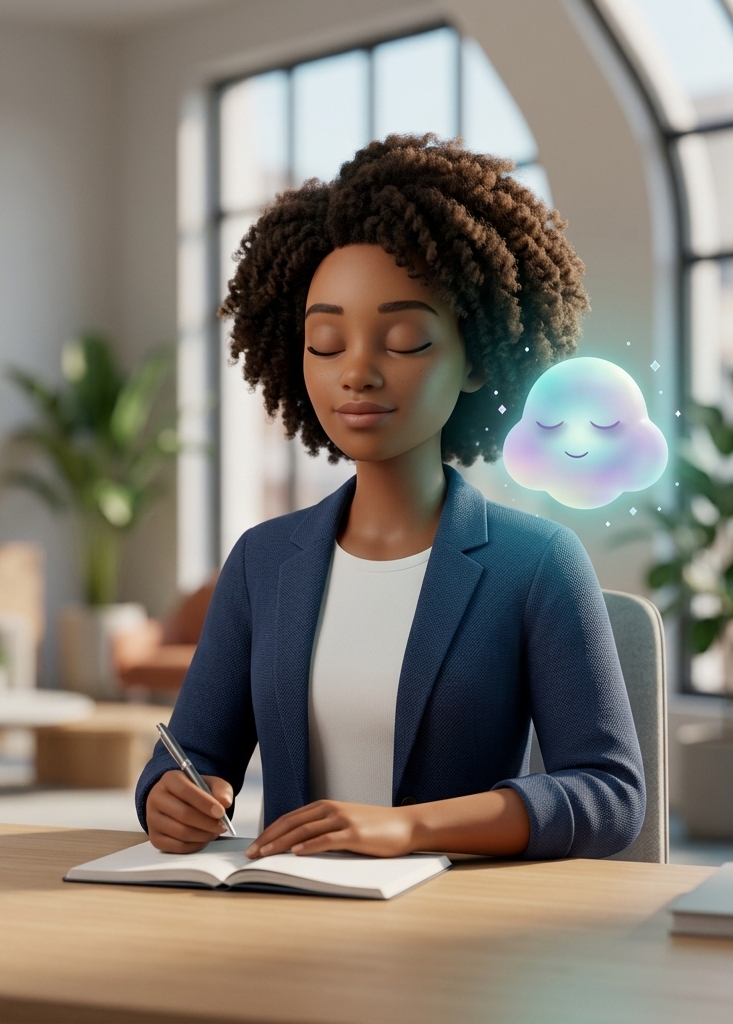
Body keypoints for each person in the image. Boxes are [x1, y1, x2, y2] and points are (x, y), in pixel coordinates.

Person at [136, 135, 646, 861]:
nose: (357, 372)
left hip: (453, 915)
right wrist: (168, 796)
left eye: (404, 339)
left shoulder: (536, 562)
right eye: (325, 342)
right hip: (285, 908)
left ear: (476, 358)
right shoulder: (261, 561)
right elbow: (189, 754)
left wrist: (410, 828)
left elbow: (610, 793)